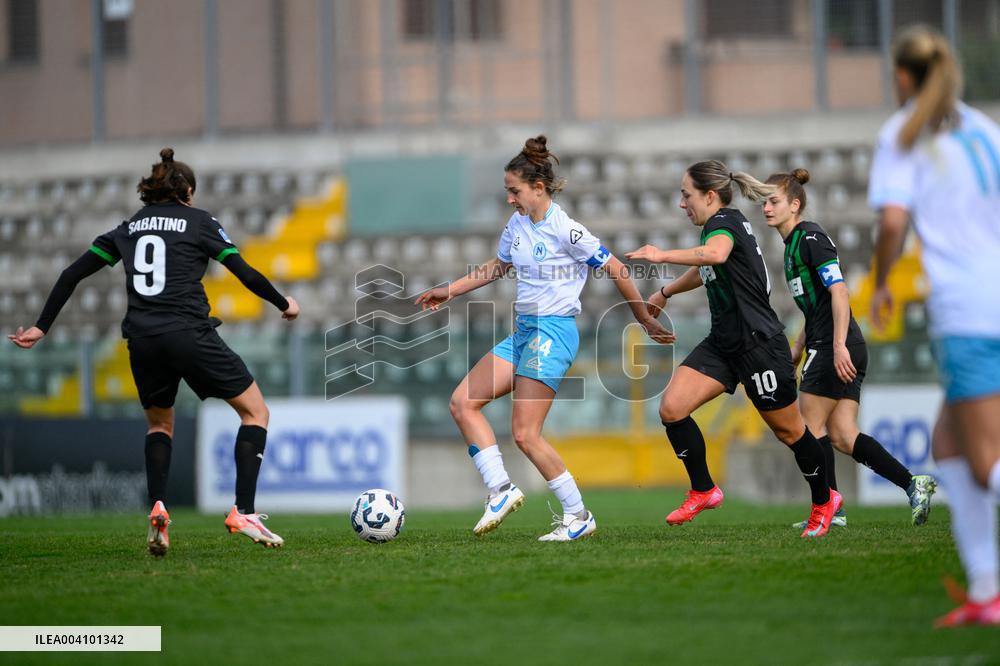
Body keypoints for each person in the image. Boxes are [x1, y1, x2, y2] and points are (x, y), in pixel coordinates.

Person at [8, 148, 299, 556]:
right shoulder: (199, 221)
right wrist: (283, 303)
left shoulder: (128, 228)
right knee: (255, 412)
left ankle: (158, 506)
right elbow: (243, 271)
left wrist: (42, 325)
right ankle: (244, 511)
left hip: (143, 340)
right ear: (189, 192)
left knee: (160, 426)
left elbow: (71, 273)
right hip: (188, 332)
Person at [415, 135, 673, 541]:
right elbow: (496, 266)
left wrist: (642, 318)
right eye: (506, 192)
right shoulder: (517, 224)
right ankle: (500, 489)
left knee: (525, 434)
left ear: (539, 188)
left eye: (514, 191)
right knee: (462, 403)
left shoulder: (566, 230)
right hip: (523, 332)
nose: (509, 200)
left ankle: (578, 515)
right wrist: (450, 289)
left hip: (553, 332)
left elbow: (618, 270)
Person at [626, 160, 841, 538]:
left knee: (791, 433)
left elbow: (715, 256)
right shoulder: (723, 224)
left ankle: (824, 501)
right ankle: (704, 489)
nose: (681, 204)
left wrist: (660, 256)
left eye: (686, 195)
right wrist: (666, 292)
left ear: (709, 196)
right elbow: (708, 267)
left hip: (759, 345)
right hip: (724, 343)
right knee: (672, 408)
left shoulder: (722, 224)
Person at [868, 25, 1000, 626]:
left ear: (901, 76)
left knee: (983, 460)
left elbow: (893, 224)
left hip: (969, 310)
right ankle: (986, 593)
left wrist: (884, 283)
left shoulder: (903, 134)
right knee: (947, 444)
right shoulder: (984, 131)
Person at [763, 168, 936, 529]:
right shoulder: (792, 246)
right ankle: (912, 483)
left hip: (836, 346)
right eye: (764, 200)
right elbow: (815, 308)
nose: (766, 207)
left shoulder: (810, 236)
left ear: (795, 205)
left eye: (773, 200)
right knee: (842, 433)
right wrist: (798, 346)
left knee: (807, 428)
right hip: (831, 343)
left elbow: (839, 291)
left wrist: (838, 346)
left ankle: (827, 508)